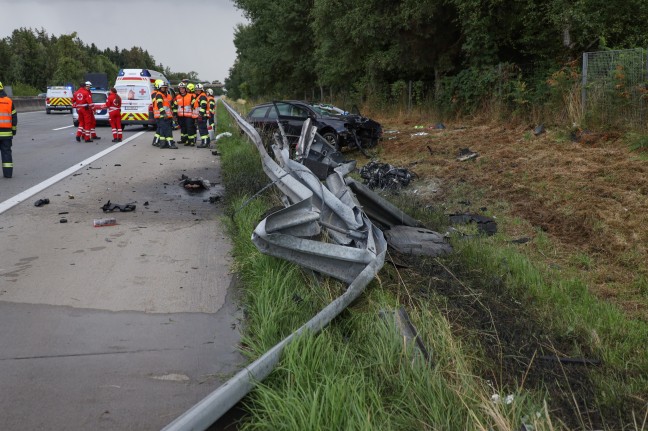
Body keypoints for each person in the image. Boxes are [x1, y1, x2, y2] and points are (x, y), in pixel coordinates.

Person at [152, 79, 177, 149]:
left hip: (167, 116)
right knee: (167, 130)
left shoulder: (166, 95)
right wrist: (164, 114)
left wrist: (173, 115)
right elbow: (160, 105)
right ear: (159, 88)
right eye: (163, 87)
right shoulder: (159, 95)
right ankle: (170, 144)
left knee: (163, 130)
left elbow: (170, 106)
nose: (165, 88)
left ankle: (163, 144)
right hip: (162, 116)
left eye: (165, 87)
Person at [0, 81, 17, 178]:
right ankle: (8, 174)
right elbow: (14, 118)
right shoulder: (9, 101)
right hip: (6, 134)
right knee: (6, 154)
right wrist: (13, 131)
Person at [193, 83, 210, 148]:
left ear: (201, 90)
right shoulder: (199, 96)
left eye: (198, 90)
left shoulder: (202, 96)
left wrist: (200, 114)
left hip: (201, 116)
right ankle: (207, 141)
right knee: (204, 129)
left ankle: (204, 143)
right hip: (201, 116)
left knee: (202, 130)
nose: (197, 91)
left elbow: (203, 106)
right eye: (196, 90)